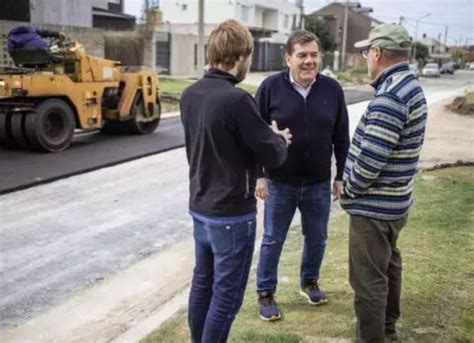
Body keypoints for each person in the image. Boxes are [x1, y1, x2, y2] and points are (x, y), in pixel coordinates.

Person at [180, 19, 291, 342]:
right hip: (230, 214)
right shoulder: (236, 100)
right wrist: (278, 138)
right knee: (226, 296)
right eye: (250, 57)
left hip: (200, 207)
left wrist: (264, 137)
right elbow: (273, 154)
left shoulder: (190, 94)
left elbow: (225, 141)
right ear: (241, 56)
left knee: (203, 282)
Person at [340, 24, 428, 342]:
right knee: (389, 266)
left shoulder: (390, 97)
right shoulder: (410, 86)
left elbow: (370, 162)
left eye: (367, 52)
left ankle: (373, 337)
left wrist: (348, 188)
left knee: (368, 281)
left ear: (377, 53)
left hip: (374, 209)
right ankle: (388, 328)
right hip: (395, 203)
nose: (366, 59)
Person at [255, 30, 350, 321]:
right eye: (302, 55)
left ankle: (309, 282)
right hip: (280, 182)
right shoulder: (270, 87)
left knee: (317, 238)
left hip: (319, 184)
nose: (309, 61)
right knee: (273, 239)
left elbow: (341, 136)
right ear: (288, 58)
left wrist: (339, 176)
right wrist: (260, 175)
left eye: (313, 55)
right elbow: (255, 135)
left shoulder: (332, 90)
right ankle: (266, 292)